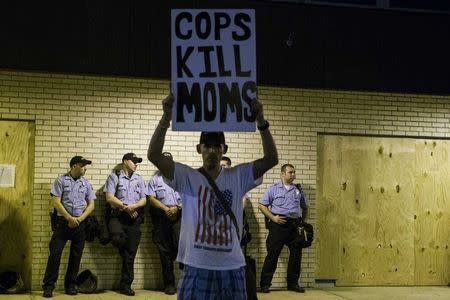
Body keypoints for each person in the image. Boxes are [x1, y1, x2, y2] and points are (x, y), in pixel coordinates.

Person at [147, 93, 278, 300]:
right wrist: (166, 118)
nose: (212, 150)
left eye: (217, 146)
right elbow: (154, 155)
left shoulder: (237, 176)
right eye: (207, 145)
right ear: (199, 149)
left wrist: (261, 121)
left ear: (224, 149)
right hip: (196, 264)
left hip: (231, 265)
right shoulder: (187, 176)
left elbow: (271, 159)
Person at [42, 156, 96, 298]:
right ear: (74, 166)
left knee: (76, 256)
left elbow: (92, 204)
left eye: (86, 166)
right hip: (62, 224)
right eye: (82, 165)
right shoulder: (61, 181)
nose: (85, 168)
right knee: (55, 254)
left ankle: (71, 285)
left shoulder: (86, 183)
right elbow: (56, 202)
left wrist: (79, 219)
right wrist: (69, 218)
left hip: (80, 224)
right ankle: (48, 286)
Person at [258, 163, 309, 293]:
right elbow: (262, 205)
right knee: (272, 254)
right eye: (290, 172)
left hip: (294, 226)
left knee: (296, 255)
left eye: (294, 172)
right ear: (283, 173)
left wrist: (302, 222)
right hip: (278, 225)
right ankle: (265, 284)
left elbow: (305, 207)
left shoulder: (298, 190)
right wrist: (273, 218)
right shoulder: (273, 189)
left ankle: (293, 284)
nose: (293, 174)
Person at [103, 153, 147, 296]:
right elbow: (109, 197)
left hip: (134, 218)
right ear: (125, 161)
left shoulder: (139, 179)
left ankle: (125, 285)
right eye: (134, 161)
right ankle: (123, 249)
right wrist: (125, 207)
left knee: (130, 254)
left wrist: (133, 207)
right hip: (118, 217)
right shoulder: (114, 177)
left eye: (137, 162)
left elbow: (144, 200)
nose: (136, 164)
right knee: (117, 239)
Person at [147, 151, 182, 295]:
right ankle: (169, 285)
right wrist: (166, 209)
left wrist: (177, 208)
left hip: (179, 217)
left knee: (181, 249)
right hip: (161, 218)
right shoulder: (155, 179)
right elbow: (151, 198)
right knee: (164, 253)